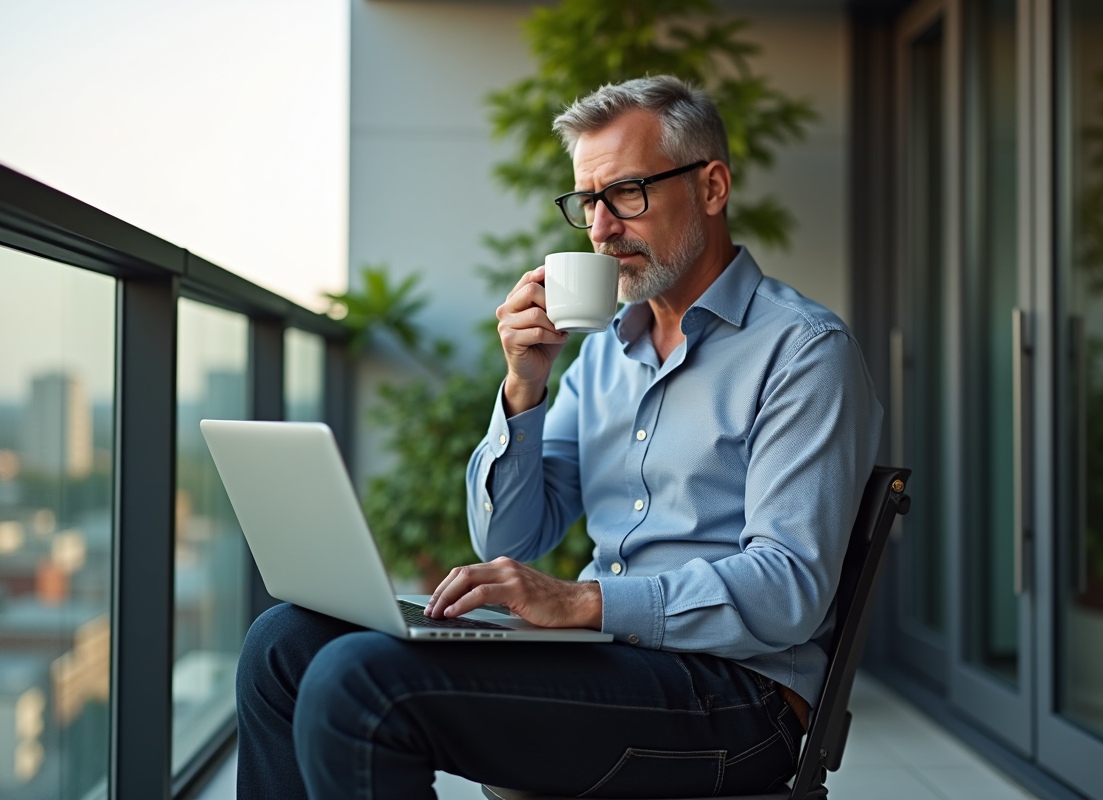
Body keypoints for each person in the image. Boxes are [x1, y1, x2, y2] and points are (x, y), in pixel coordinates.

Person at [236, 75, 882, 800]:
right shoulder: (605, 351)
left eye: (627, 193)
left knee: (360, 684)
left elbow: (789, 589)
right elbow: (511, 533)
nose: (602, 228)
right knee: (283, 644)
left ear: (712, 186)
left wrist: (583, 603)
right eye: (588, 202)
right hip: (618, 661)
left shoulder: (802, 350)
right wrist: (523, 387)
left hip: (740, 699)